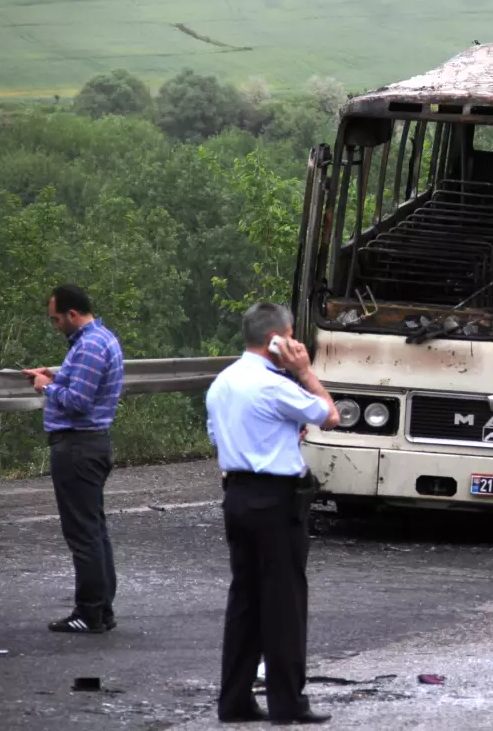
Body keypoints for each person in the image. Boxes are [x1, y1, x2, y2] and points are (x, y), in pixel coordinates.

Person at [206, 302, 340, 725]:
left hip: (237, 496)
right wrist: (304, 372)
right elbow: (330, 415)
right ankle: (287, 703)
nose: (297, 343)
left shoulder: (222, 383)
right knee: (284, 601)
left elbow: (220, 434)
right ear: (276, 340)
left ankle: (235, 700)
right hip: (275, 500)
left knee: (244, 599)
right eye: (293, 335)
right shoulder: (274, 384)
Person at [22, 284, 124, 634]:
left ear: (73, 315)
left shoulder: (90, 345)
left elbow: (78, 401)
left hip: (78, 447)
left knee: (82, 533)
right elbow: (83, 384)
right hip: (91, 445)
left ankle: (90, 611)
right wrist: (56, 374)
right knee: (94, 529)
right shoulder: (100, 339)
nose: (55, 326)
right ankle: (102, 608)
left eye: (56, 319)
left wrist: (45, 387)